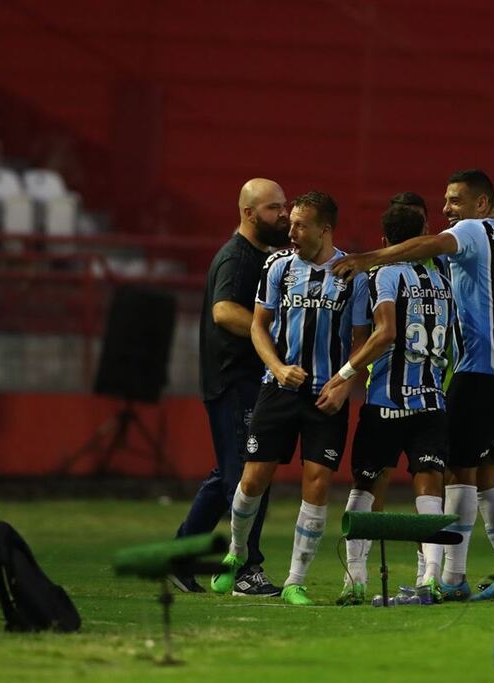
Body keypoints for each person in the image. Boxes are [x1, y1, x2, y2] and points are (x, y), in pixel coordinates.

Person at [332, 169, 494, 602]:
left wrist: (370, 257)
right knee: (489, 474)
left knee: (459, 475)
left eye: (456, 201)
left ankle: (449, 579)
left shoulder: (468, 231)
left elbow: (430, 245)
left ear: (481, 204)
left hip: (479, 370)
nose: (447, 210)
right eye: (445, 202)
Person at [211, 191, 370, 606]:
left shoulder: (352, 274)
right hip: (277, 389)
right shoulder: (278, 265)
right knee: (252, 479)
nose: (291, 230)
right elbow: (258, 327)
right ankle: (235, 552)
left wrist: (344, 385)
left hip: (326, 397)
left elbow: (360, 341)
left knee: (317, 484)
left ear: (324, 229)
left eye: (300, 224)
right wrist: (278, 368)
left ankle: (295, 580)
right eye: (291, 222)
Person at [321, 204, 454, 606]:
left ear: (383, 241)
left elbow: (385, 333)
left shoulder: (383, 274)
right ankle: (430, 578)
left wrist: (344, 375)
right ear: (423, 235)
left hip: (387, 400)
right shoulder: (440, 279)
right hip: (431, 398)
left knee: (365, 483)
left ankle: (355, 580)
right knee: (429, 484)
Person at [171, 178, 288, 597]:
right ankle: (247, 569)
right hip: (233, 378)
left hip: (243, 378)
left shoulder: (263, 256)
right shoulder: (237, 258)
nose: (284, 214)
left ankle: (180, 556)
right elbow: (223, 311)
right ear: (249, 213)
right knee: (248, 474)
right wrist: (271, 336)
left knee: (230, 474)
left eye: (284, 206)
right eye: (274, 208)